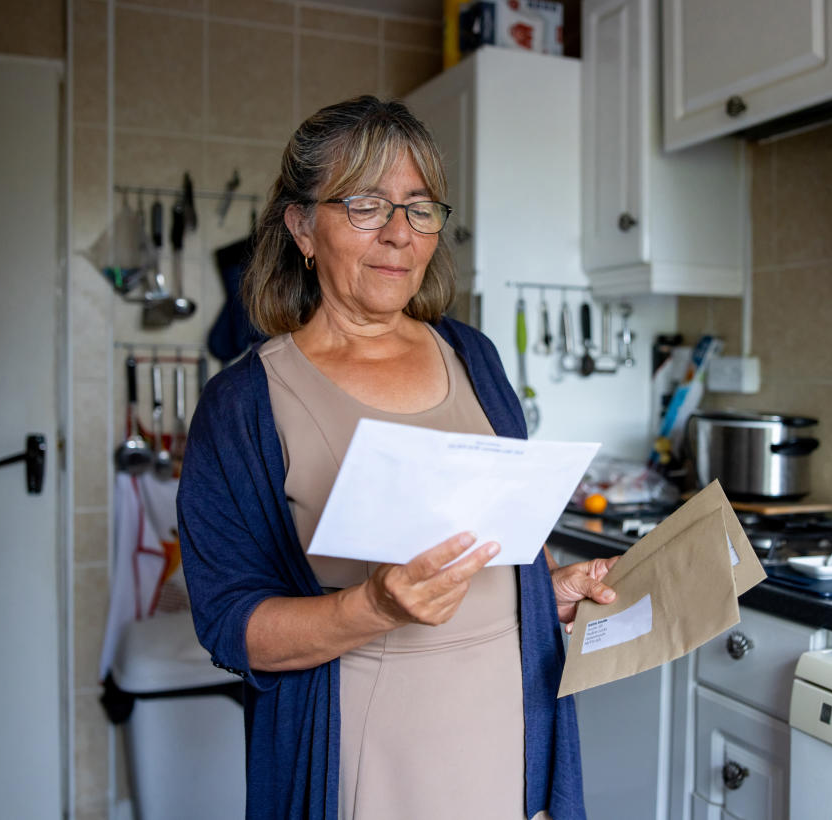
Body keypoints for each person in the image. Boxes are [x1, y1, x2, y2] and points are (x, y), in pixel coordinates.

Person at [177, 96, 618, 820]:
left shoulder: (472, 355)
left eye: (418, 208)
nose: (398, 235)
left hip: (508, 734)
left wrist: (546, 591)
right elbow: (232, 625)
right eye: (364, 205)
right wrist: (373, 606)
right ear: (301, 227)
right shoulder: (243, 405)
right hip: (364, 753)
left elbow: (489, 536)